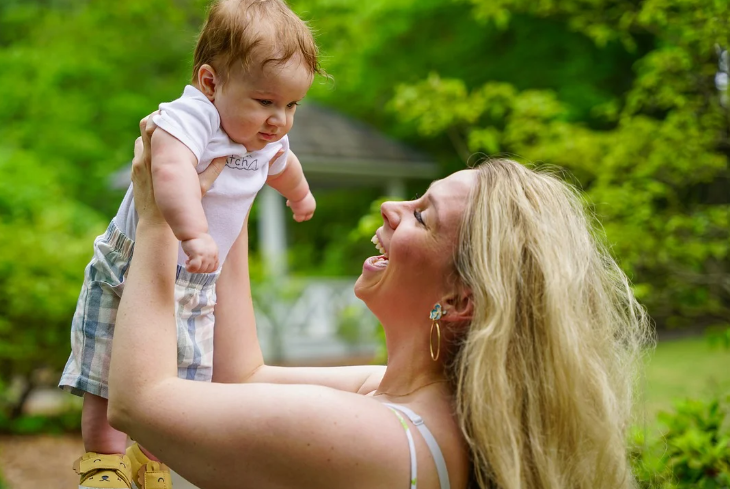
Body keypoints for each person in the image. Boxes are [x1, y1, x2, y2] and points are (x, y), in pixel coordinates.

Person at [106, 120, 651, 489]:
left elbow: (139, 403)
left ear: (459, 298)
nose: (392, 207)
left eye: (422, 216)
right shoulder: (412, 399)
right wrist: (235, 186)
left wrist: (159, 219)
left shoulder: (375, 435)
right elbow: (240, 375)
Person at [59, 0, 323, 489]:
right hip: (135, 264)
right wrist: (194, 233)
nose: (279, 120)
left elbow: (284, 165)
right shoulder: (192, 116)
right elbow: (171, 171)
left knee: (178, 388)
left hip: (196, 283)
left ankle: (150, 463)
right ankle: (104, 463)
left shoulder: (265, 136)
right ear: (210, 81)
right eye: (266, 100)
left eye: (291, 105)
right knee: (105, 378)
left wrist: (299, 196)